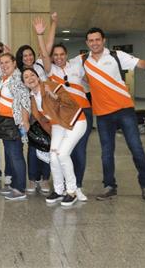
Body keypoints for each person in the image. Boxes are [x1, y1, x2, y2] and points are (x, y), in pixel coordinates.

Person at [72, 27, 145, 202]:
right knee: (106, 152)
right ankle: (110, 186)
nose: (94, 43)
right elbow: (61, 66)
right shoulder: (82, 61)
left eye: (97, 39)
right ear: (87, 43)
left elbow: (142, 63)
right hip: (103, 115)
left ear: (103, 40)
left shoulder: (116, 56)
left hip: (124, 109)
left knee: (136, 148)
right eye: (91, 40)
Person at [34, 14, 92, 201]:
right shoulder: (51, 71)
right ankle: (60, 189)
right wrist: (41, 34)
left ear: (66, 55)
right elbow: (44, 54)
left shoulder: (77, 64)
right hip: (61, 116)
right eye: (55, 55)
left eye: (61, 55)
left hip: (82, 114)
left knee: (78, 152)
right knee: (57, 153)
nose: (58, 58)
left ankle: (77, 188)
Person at [22, 68, 87, 206]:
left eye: (32, 75)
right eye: (26, 77)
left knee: (62, 154)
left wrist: (56, 98)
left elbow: (71, 103)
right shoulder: (32, 98)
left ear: (38, 77)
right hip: (58, 125)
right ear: (24, 83)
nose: (30, 78)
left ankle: (71, 191)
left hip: (75, 121)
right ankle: (59, 190)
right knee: (53, 156)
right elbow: (43, 120)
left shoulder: (50, 86)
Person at [0, 53, 31, 201]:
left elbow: (24, 102)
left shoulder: (17, 79)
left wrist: (25, 121)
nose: (4, 65)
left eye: (7, 62)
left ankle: (20, 188)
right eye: (1, 63)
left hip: (13, 122)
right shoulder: (3, 78)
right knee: (10, 155)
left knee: (15, 155)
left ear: (14, 63)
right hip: (3, 121)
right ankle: (15, 184)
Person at [16, 43, 51, 193]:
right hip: (30, 117)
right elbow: (22, 100)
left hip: (46, 116)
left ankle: (45, 179)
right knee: (32, 150)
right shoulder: (18, 74)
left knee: (46, 147)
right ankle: (32, 180)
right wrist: (24, 122)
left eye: (30, 54)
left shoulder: (40, 68)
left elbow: (46, 50)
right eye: (25, 56)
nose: (28, 57)